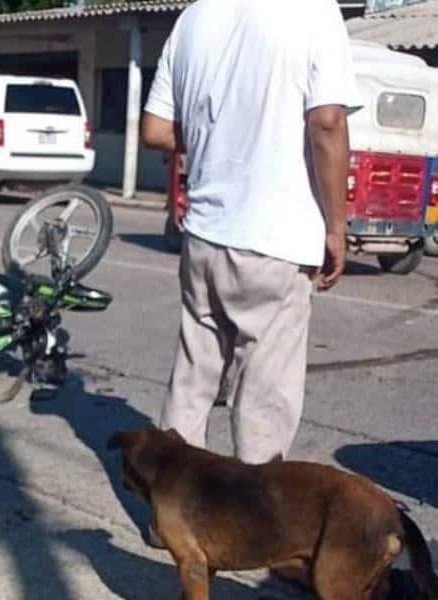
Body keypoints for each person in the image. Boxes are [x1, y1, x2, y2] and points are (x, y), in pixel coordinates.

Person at [141, 0, 360, 466]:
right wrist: (337, 228)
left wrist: (216, 140)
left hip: (204, 233)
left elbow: (156, 130)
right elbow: (327, 122)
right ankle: (255, 529)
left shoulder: (194, 17)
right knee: (264, 397)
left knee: (193, 378)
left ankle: (169, 517)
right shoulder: (315, 13)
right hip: (276, 239)